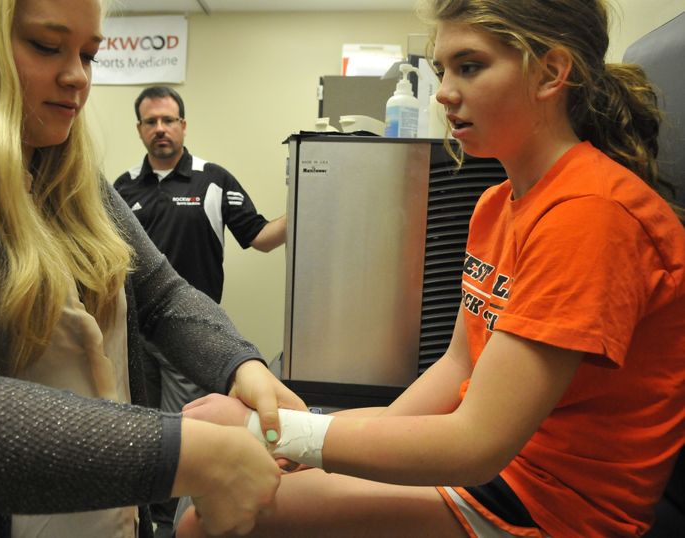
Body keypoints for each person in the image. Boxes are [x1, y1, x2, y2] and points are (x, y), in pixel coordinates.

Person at [176, 0, 685, 536]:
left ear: (551, 73)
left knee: (217, 515)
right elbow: (458, 368)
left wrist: (272, 433)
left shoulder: (592, 213)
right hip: (495, 477)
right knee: (228, 484)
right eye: (443, 70)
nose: (443, 92)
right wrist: (304, 441)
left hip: (551, 510)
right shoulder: (496, 205)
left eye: (469, 66)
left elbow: (476, 444)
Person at [0, 1, 306, 537]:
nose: (76, 76)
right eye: (46, 46)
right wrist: (179, 452)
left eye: (88, 53)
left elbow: (162, 294)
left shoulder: (66, 173)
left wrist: (244, 366)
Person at [113, 85, 288, 535]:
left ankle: (180, 527)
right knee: (141, 430)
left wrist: (314, 204)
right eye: (151, 122)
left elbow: (261, 236)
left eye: (168, 120)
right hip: (133, 337)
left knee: (184, 433)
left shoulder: (213, 179)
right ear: (140, 130)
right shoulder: (122, 187)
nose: (160, 130)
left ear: (183, 126)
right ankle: (147, 523)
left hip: (187, 338)